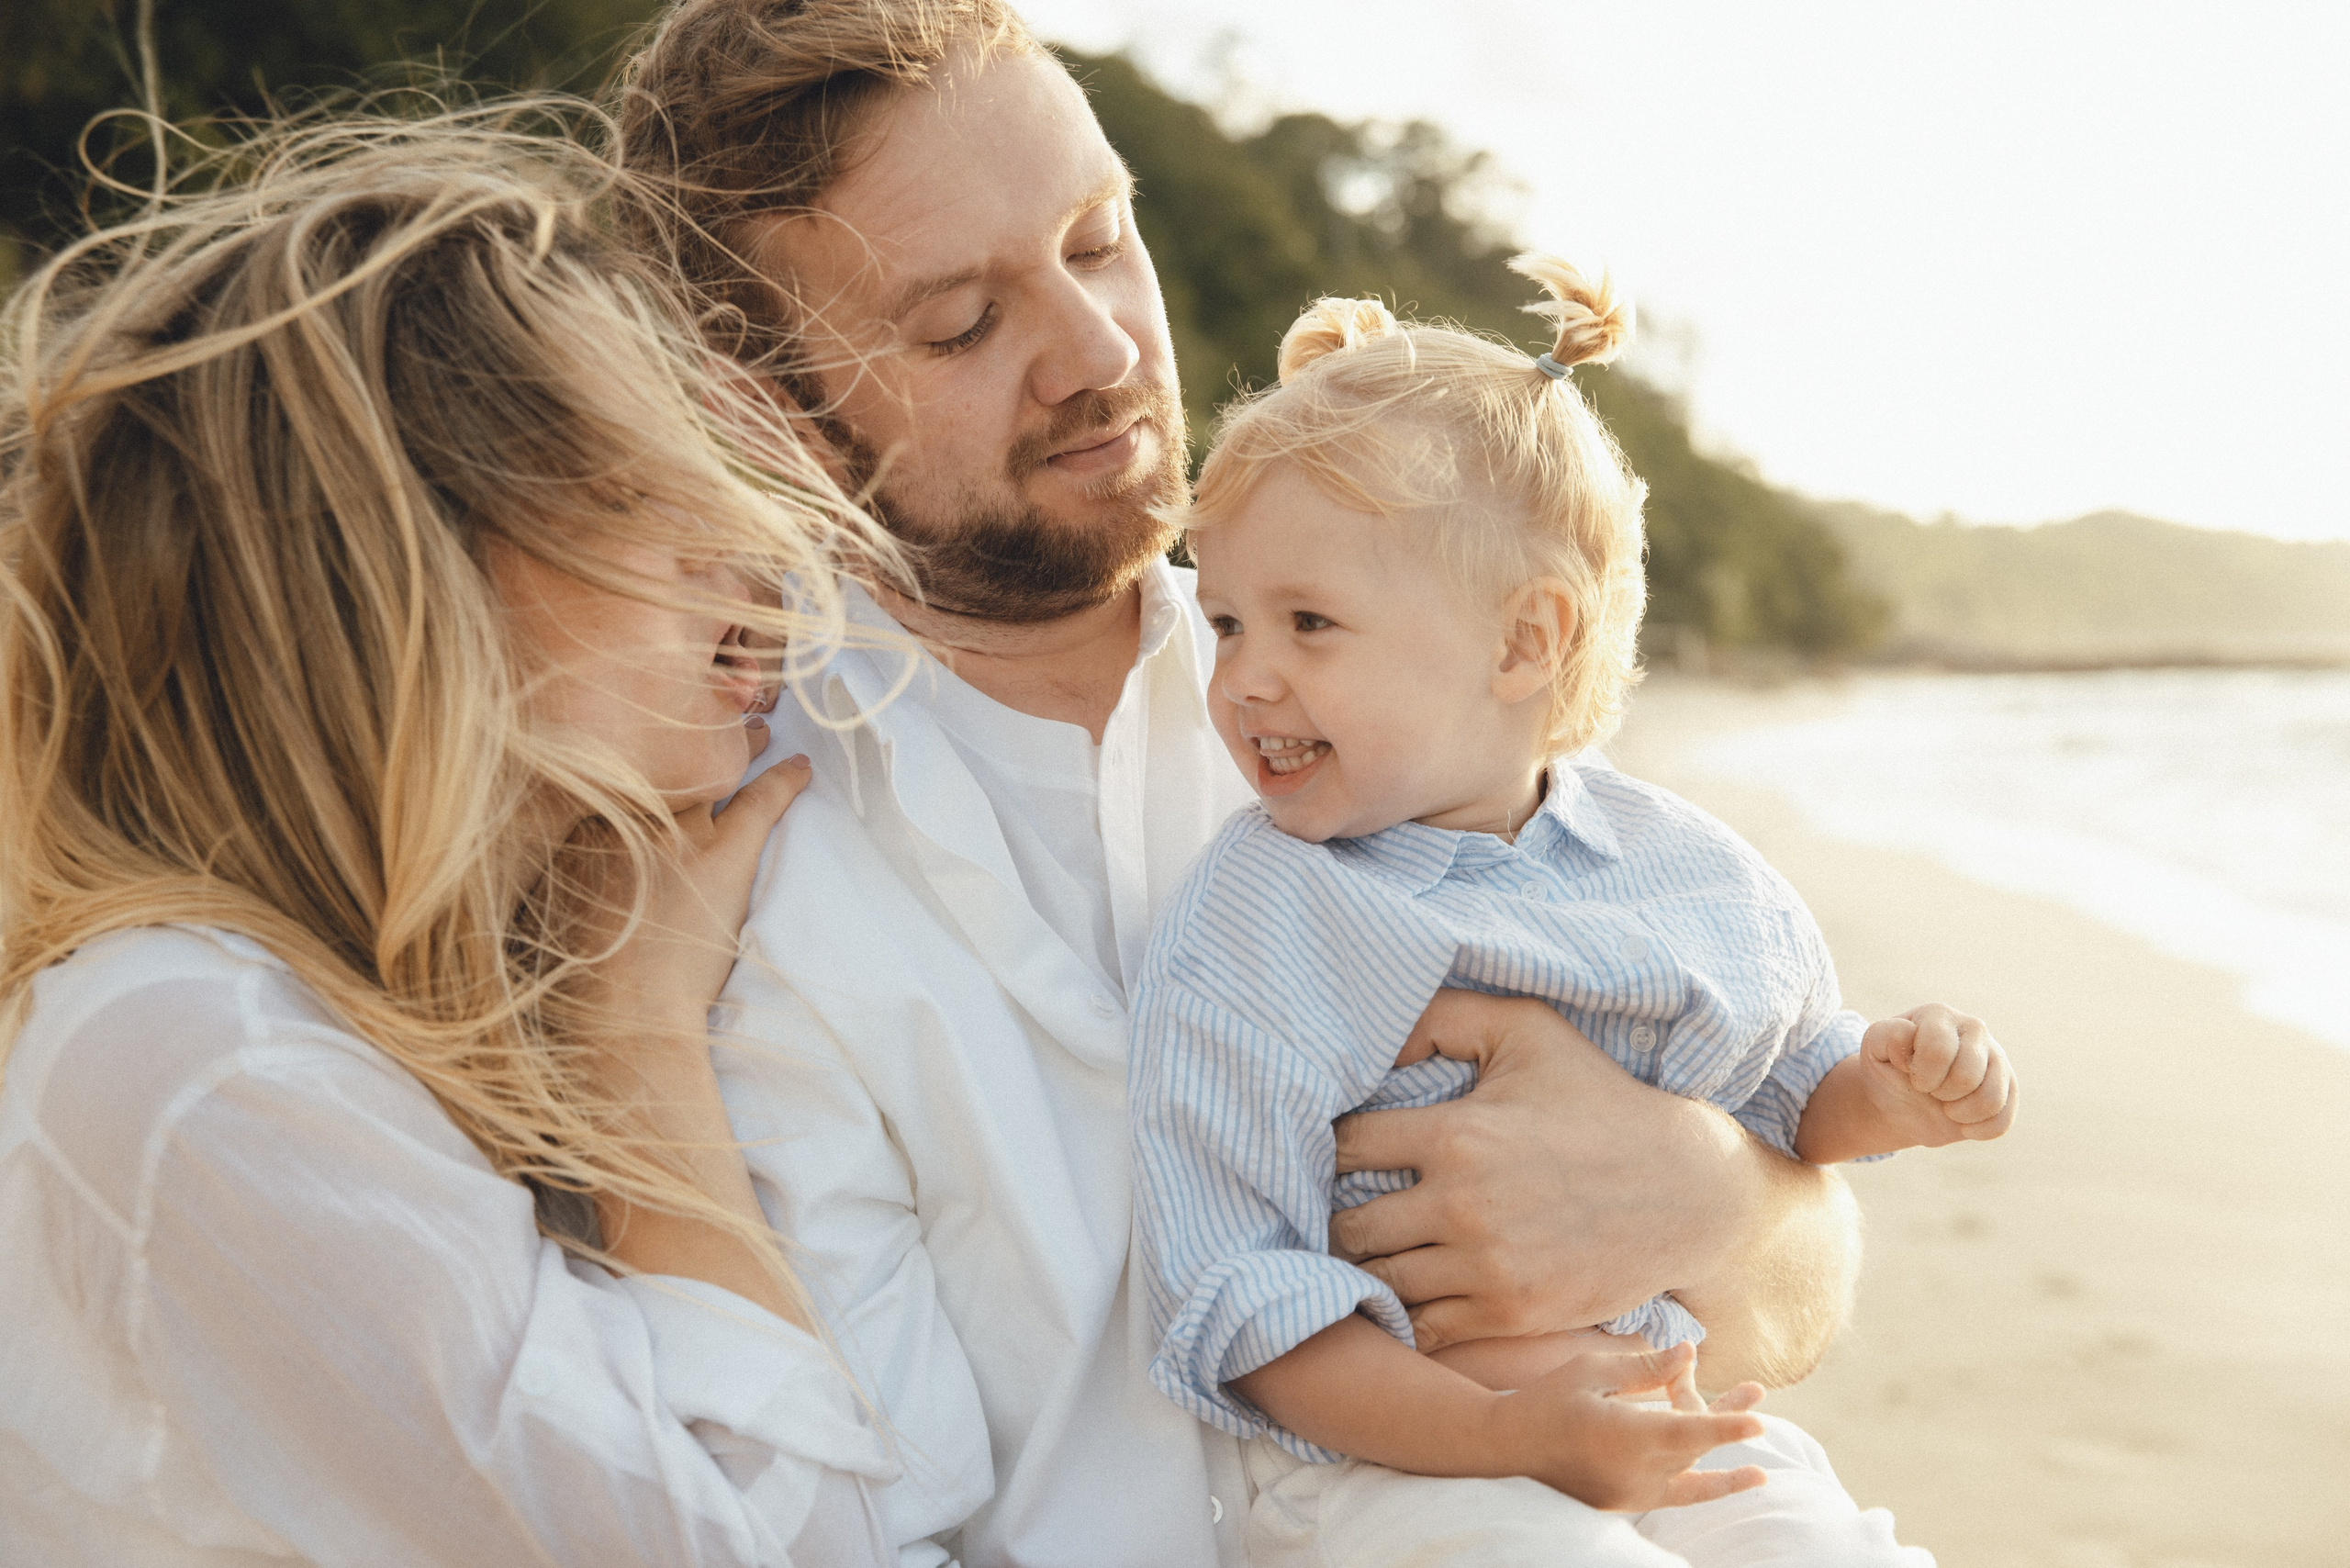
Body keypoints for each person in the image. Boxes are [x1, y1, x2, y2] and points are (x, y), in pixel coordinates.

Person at [618, 4, 1901, 1562]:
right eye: (961, 323)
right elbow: (830, 1518)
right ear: (763, 401)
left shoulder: (1390, 670)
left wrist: (1715, 1202)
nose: (1102, 350)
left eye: (1100, 241)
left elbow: (1791, 1284)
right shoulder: (726, 871)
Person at [0, 106, 909, 1563]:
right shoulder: (205, 1062)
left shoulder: (317, 1031)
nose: (742, 546)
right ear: (401, 563)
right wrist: (638, 1048)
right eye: (639, 484)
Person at [1130, 264, 2018, 1566]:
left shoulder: (1685, 874)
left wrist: (1890, 1092)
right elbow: (1243, 1302)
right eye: (1223, 621)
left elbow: (1782, 1099)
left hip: (1671, 1411)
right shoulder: (1264, 916)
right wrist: (1509, 1435)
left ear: (1522, 643)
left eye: (1308, 623)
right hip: (1397, 1468)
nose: (1246, 678)